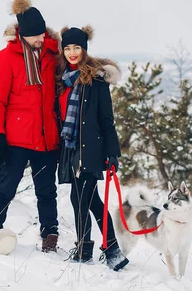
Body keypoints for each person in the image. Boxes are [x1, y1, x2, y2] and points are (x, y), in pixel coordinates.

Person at [0, 0, 61, 253]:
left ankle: (50, 237)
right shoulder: (6, 59)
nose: (41, 38)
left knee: (47, 191)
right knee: (6, 187)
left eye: (43, 33)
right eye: (36, 35)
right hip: (15, 138)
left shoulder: (51, 55)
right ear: (23, 35)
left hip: (46, 136)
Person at [56, 25, 129, 271]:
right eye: (67, 48)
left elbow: (106, 120)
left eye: (77, 47)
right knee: (91, 201)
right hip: (70, 149)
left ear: (84, 49)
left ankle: (84, 248)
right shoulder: (63, 79)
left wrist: (112, 154)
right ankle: (112, 249)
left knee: (80, 199)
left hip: (91, 149)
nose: (72, 52)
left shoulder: (96, 80)